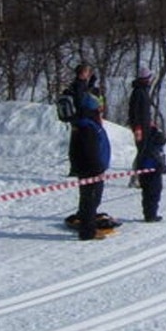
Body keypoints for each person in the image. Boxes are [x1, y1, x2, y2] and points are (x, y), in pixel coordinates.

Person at [68, 91, 112, 240]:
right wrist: (97, 168)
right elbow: (90, 150)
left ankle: (87, 222)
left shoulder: (89, 122)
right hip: (91, 169)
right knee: (91, 199)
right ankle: (88, 231)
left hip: (90, 167)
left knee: (90, 199)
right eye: (99, 106)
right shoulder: (87, 125)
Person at [133, 117, 166, 221]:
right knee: (153, 192)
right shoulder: (152, 134)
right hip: (152, 168)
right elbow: (156, 152)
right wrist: (161, 165)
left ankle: (149, 213)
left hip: (144, 167)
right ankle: (151, 215)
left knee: (147, 193)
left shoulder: (142, 133)